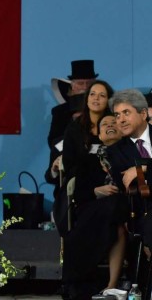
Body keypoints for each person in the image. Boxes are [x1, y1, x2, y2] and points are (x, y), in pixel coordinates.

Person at [63, 111, 128, 298]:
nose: (109, 125)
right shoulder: (87, 160)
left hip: (121, 208)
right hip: (92, 207)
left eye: (113, 123)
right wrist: (96, 191)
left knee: (116, 214)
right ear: (99, 135)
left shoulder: (127, 156)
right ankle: (81, 282)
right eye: (104, 124)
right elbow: (79, 194)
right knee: (111, 220)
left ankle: (110, 285)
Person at [107, 89, 152, 247]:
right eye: (117, 115)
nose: (121, 120)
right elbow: (125, 183)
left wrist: (142, 168)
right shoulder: (115, 152)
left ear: (143, 113)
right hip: (144, 209)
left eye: (126, 112)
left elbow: (139, 175)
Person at [46, 60, 98, 193]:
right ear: (72, 86)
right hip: (68, 173)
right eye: (81, 83)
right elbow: (54, 142)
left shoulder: (105, 111)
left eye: (89, 84)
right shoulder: (60, 113)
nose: (85, 87)